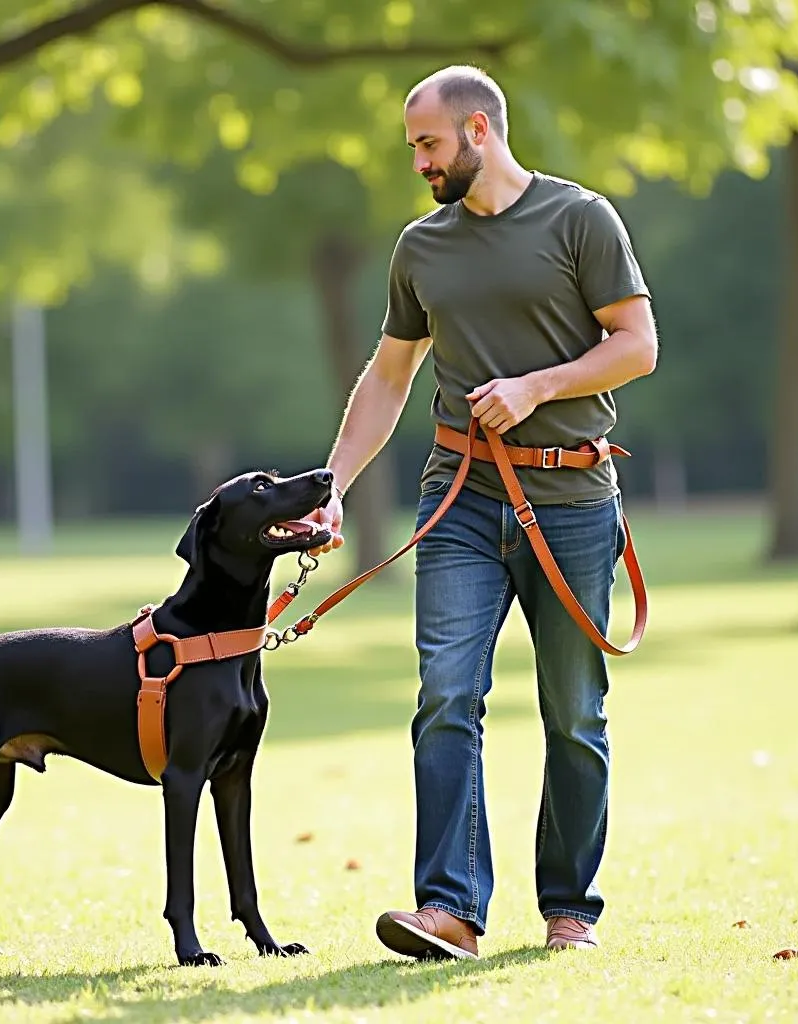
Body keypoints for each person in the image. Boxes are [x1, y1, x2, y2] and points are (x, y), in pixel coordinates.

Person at [306, 65, 658, 958]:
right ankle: (450, 909)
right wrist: (334, 486)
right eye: (413, 147)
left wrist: (538, 386)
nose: (419, 162)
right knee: (446, 696)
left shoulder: (580, 219)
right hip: (460, 498)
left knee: (574, 711)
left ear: (477, 130)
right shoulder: (421, 246)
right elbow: (390, 375)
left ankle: (570, 910)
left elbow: (637, 344)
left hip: (572, 499)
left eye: (427, 144)